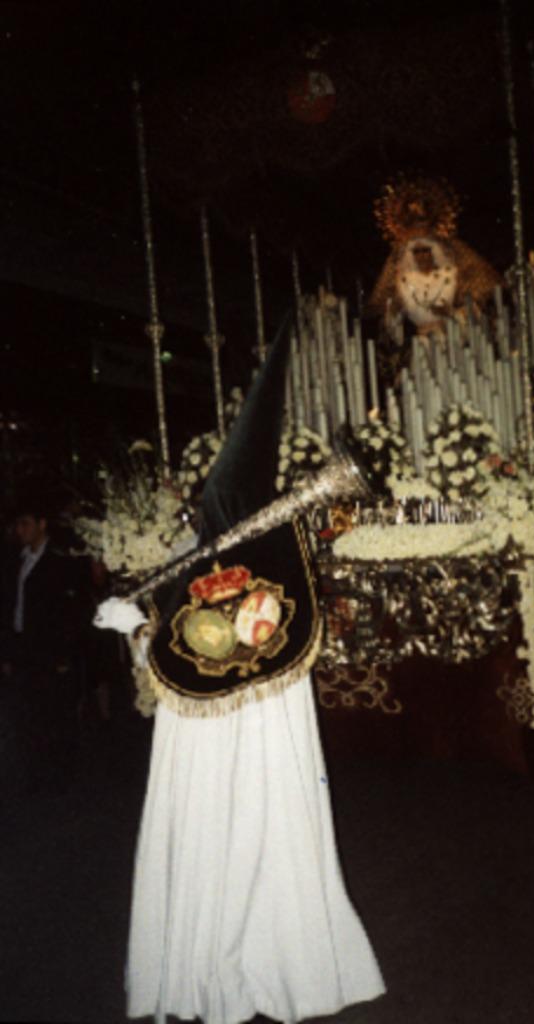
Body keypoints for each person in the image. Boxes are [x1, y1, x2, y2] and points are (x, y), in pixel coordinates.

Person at [96, 324, 385, 1024]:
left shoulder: (240, 563)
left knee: (220, 845)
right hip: (263, 748)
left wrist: (133, 627)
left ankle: (220, 969)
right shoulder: (273, 560)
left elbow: (185, 655)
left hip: (214, 756)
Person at [0, 498, 86, 792]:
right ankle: (35, 773)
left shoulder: (59, 560)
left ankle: (61, 775)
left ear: (41, 524)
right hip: (23, 647)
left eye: (25, 523)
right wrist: (8, 650)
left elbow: (72, 611)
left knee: (55, 712)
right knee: (28, 712)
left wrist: (65, 652)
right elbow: (10, 605)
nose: (19, 530)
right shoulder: (17, 559)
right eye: (17, 524)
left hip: (50, 651)